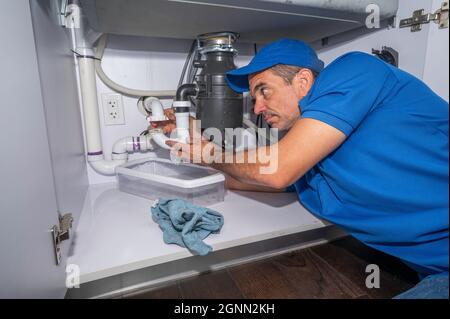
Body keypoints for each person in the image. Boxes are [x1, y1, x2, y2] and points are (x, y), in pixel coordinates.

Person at [158, 39, 449, 299]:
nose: (257, 108)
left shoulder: (355, 70)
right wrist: (193, 148)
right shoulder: (309, 162)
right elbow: (245, 176)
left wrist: (209, 153)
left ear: (303, 81)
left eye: (264, 91)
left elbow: (276, 170)